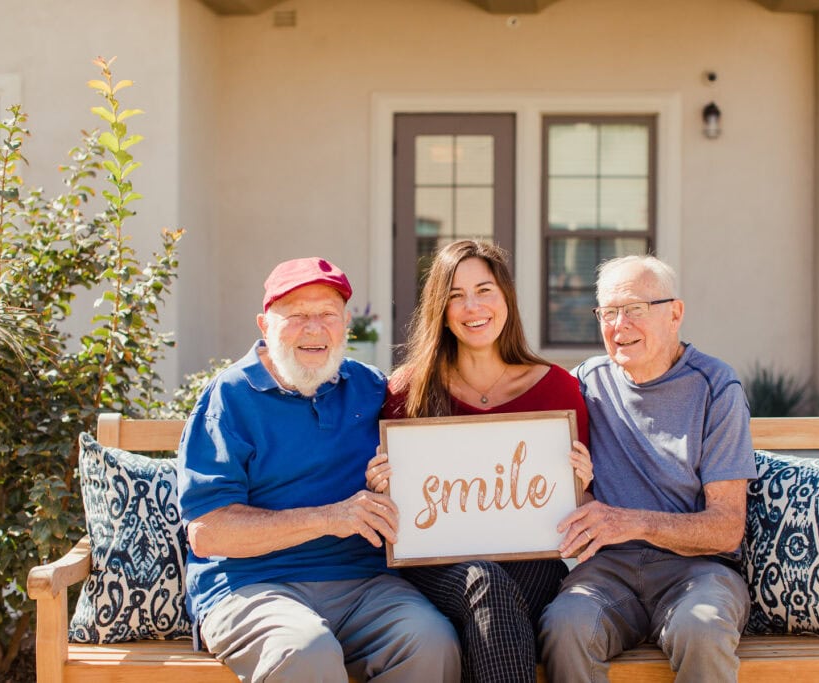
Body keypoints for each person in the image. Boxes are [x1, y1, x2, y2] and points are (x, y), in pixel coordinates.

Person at [177, 257, 460, 683]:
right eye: (296, 316)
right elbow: (208, 531)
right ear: (264, 325)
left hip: (364, 584)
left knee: (431, 641)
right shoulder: (230, 396)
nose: (314, 329)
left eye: (327, 315)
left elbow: (434, 458)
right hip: (252, 586)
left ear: (346, 324)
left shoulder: (369, 387)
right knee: (306, 651)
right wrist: (331, 517)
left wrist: (395, 480)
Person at [365, 239, 592, 683]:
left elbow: (577, 515)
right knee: (486, 584)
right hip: (435, 566)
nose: (473, 306)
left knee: (493, 596)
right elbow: (395, 512)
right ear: (440, 309)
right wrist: (381, 486)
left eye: (484, 289)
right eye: (455, 295)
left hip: (532, 561)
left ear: (505, 296)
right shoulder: (406, 391)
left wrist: (582, 483)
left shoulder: (558, 390)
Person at [539, 254, 756, 683]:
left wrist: (630, 522)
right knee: (565, 626)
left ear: (674, 313)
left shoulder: (716, 388)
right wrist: (576, 487)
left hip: (698, 570)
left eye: (635, 309)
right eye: (609, 312)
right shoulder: (584, 383)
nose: (620, 326)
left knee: (703, 628)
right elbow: (547, 476)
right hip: (607, 573)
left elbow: (728, 527)